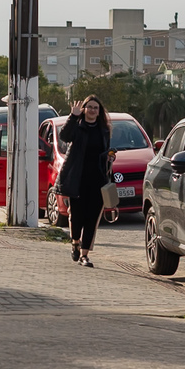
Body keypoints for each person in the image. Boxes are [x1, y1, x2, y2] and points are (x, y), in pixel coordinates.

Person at [55, 94, 112, 267]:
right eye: (90, 107)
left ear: (99, 111)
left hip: (97, 179)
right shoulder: (77, 126)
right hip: (77, 178)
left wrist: (110, 157)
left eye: (96, 108)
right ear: (84, 109)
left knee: (92, 218)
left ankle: (84, 255)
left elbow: (105, 150)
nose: (93, 110)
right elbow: (64, 136)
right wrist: (73, 116)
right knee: (77, 216)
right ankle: (75, 243)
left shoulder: (104, 129)